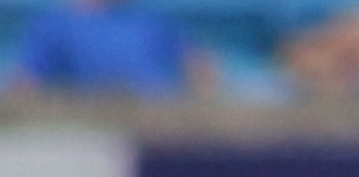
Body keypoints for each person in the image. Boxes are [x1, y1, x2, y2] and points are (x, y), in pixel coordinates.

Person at [6, 0, 212, 95]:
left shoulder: (152, 20)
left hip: (159, 117)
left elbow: (197, 64)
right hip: (95, 124)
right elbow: (26, 82)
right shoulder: (54, 25)